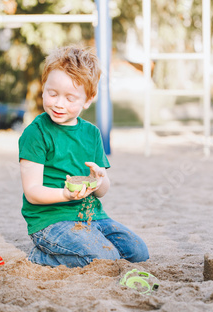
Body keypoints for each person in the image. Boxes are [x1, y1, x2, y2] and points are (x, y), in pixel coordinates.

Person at [19, 45, 149, 268]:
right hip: (51, 221)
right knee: (105, 259)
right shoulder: (36, 133)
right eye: (52, 94)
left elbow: (102, 191)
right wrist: (66, 195)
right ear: (43, 89)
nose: (59, 103)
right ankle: (40, 256)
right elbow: (32, 193)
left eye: (70, 98)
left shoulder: (92, 133)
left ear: (88, 99)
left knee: (138, 252)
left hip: (93, 217)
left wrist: (99, 179)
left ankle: (82, 246)